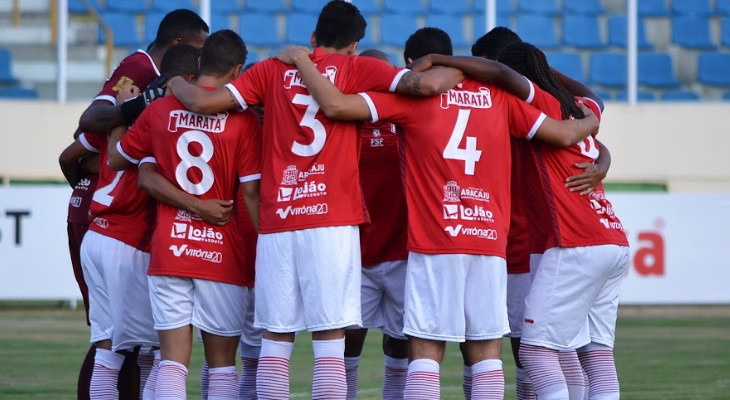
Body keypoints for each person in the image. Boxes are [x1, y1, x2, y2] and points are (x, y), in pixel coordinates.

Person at [274, 26, 599, 398]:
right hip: (489, 242)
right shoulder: (499, 98)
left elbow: (335, 105)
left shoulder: (415, 100)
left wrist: (303, 61)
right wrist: (593, 123)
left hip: (436, 243)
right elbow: (562, 134)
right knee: (486, 353)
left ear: (416, 65)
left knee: (426, 352)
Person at [165, 2, 461, 398]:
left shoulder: (271, 69)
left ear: (313, 37)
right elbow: (423, 86)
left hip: (279, 219)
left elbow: (202, 103)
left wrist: (173, 83)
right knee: (328, 345)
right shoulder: (361, 69)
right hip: (331, 221)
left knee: (275, 342)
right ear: (355, 45)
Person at [107, 29, 261, 400]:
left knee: (173, 363)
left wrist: (121, 110)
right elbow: (251, 192)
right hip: (221, 252)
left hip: (170, 248)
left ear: (200, 62)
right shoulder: (242, 120)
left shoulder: (160, 109)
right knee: (222, 365)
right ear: (238, 70)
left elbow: (117, 159)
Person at [59, 43, 202, 400]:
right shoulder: (167, 113)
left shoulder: (121, 113)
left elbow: (73, 153)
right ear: (187, 79)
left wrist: (126, 109)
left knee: (108, 353)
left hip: (98, 234)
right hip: (131, 240)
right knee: (156, 354)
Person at [495, 42, 630, 400]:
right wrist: (604, 157)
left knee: (536, 352)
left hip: (572, 241)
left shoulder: (540, 106)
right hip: (611, 237)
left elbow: (506, 76)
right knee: (596, 353)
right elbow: (592, 98)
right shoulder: (579, 108)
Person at [341, 48, 410, 400]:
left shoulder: (409, 125)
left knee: (402, 341)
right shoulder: (342, 125)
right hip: (355, 254)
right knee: (347, 341)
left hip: (404, 253)